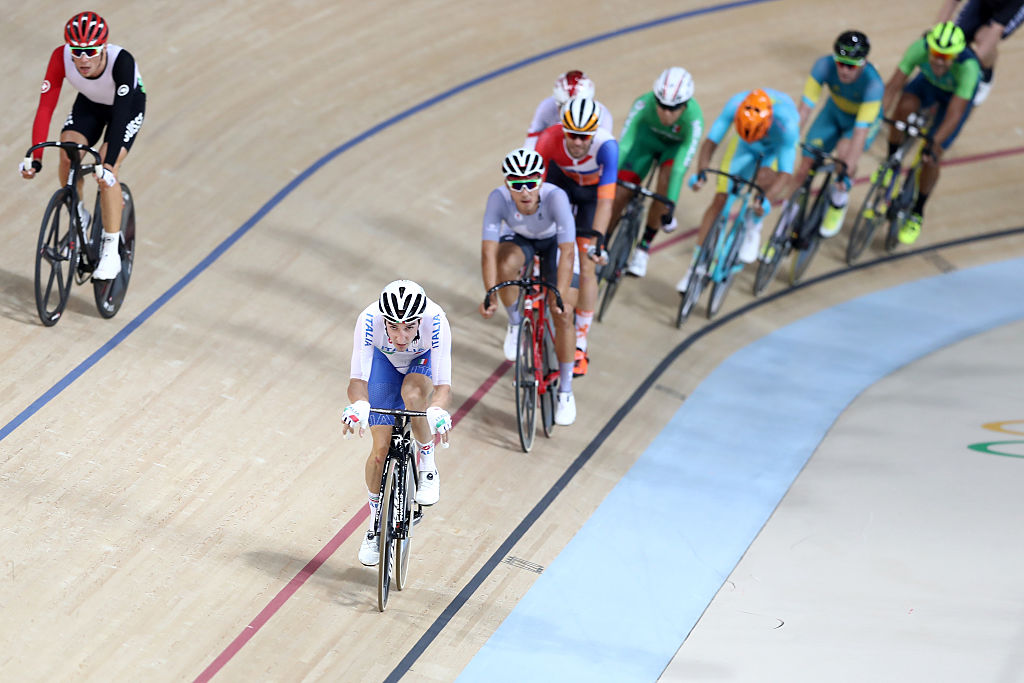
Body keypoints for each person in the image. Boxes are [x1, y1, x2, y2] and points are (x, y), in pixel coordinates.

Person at [20, 11, 146, 281]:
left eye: (90, 51)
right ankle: (79, 216)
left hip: (126, 108)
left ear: (103, 48)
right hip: (90, 105)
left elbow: (120, 117)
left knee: (106, 168)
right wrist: (36, 157)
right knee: (68, 152)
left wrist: (108, 165)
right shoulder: (60, 57)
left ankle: (111, 251)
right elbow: (45, 108)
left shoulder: (122, 62)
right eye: (77, 52)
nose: (83, 59)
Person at [341, 280, 453, 566]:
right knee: (380, 452)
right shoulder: (368, 319)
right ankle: (375, 523)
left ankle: (427, 463)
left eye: (409, 327)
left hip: (420, 363)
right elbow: (357, 379)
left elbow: (443, 386)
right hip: (385, 366)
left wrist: (437, 410)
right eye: (393, 327)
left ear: (420, 321)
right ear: (384, 321)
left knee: (413, 395)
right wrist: (359, 405)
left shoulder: (436, 320)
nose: (401, 337)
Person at [479, 148, 580, 425]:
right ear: (506, 184)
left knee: (563, 314)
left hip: (555, 245)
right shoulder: (498, 199)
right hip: (519, 239)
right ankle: (515, 323)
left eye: (531, 182)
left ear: (541, 179)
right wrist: (490, 293)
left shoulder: (556, 198)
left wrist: (559, 295)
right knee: (504, 265)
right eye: (516, 184)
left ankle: (566, 391)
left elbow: (568, 253)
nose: (525, 192)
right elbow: (488, 252)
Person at [682, 88, 799, 290]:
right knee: (720, 199)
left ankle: (754, 224)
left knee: (764, 180)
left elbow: (785, 174)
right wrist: (702, 172)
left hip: (772, 149)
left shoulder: (786, 126)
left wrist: (766, 199)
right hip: (744, 146)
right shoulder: (735, 105)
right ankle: (694, 267)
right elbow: (711, 142)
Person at [535, 96, 618, 376]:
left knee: (587, 264)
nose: (579, 142)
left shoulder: (607, 146)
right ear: (563, 129)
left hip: (591, 197)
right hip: (559, 186)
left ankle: (580, 340)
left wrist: (598, 241)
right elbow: (536, 191)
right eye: (572, 135)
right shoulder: (549, 138)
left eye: (585, 136)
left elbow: (606, 202)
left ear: (594, 132)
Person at [881, 21, 980, 245]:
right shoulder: (919, 48)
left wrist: (933, 143)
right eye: (935, 54)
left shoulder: (969, 68)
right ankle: (891, 160)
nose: (938, 60)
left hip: (953, 98)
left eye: (945, 57)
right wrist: (877, 116)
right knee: (902, 109)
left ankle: (917, 212)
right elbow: (893, 85)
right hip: (927, 84)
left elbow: (954, 114)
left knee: (931, 156)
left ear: (956, 55)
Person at [610, 67, 705, 278]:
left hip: (673, 150)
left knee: (665, 184)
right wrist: (608, 178)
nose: (666, 113)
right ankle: (603, 240)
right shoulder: (643, 104)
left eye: (673, 108)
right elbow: (624, 145)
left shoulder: (694, 120)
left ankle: (643, 247)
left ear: (685, 105)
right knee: (618, 193)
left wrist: (670, 204)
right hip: (645, 142)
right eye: (661, 105)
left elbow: (679, 168)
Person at [794, 30, 884, 238]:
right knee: (805, 164)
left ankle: (838, 202)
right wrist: (790, 142)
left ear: (863, 63)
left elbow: (860, 133)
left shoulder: (873, 85)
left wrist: (846, 172)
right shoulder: (823, 66)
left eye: (850, 66)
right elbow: (804, 110)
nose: (844, 70)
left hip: (858, 123)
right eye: (840, 63)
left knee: (844, 156)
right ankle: (789, 216)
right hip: (833, 113)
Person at [936, 0, 1024, 103]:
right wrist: (935, 37)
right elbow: (952, 2)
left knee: (983, 41)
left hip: (1014, 7)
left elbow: (997, 29)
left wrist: (973, 68)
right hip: (983, 3)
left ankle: (986, 75)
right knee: (958, 36)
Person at [524, 70, 613, 150]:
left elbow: (601, 149)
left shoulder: (603, 116)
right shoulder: (547, 106)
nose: (568, 115)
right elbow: (531, 140)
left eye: (576, 110)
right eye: (563, 107)